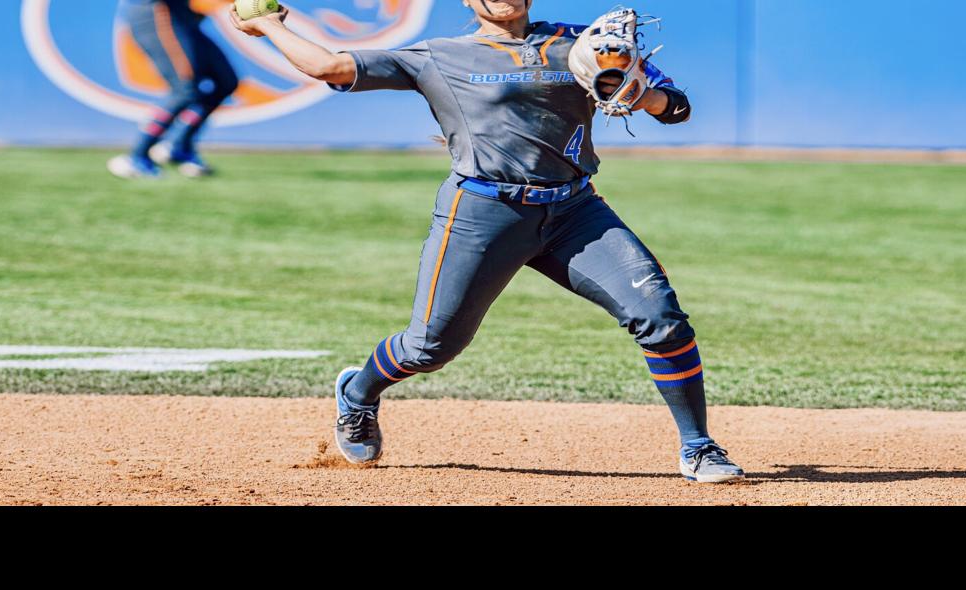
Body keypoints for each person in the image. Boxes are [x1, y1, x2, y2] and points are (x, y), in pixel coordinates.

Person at [230, 0, 743, 483]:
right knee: (431, 346)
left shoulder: (583, 44)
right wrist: (270, 25)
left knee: (660, 316)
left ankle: (698, 444)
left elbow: (677, 109)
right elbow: (329, 67)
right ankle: (359, 391)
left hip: (575, 211)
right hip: (481, 213)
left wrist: (643, 94)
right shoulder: (438, 56)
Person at [108, 0, 240, 179]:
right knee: (185, 90)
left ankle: (178, 146)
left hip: (182, 15)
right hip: (155, 11)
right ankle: (137, 156)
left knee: (226, 81)